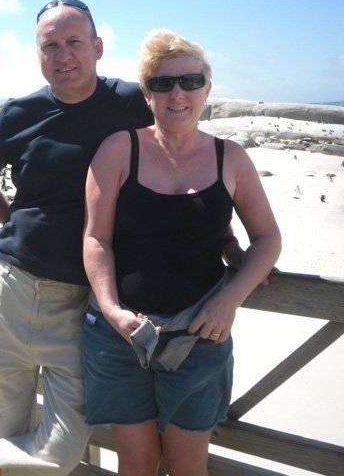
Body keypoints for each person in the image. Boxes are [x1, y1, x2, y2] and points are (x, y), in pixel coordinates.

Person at [0, 0, 154, 475]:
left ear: (98, 47)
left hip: (84, 301)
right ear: (38, 53)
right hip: (11, 288)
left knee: (64, 446)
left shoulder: (133, 103)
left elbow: (185, 161)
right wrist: (14, 223)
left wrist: (226, 242)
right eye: (51, 45)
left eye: (74, 42)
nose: (63, 55)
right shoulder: (19, 113)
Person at [82, 29, 281, 475]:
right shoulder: (119, 150)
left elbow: (268, 238)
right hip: (121, 336)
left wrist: (230, 300)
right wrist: (112, 311)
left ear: (207, 89)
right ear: (147, 92)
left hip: (201, 335)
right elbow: (96, 239)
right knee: (136, 463)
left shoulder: (231, 158)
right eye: (163, 83)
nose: (177, 93)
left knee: (188, 465)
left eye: (190, 81)